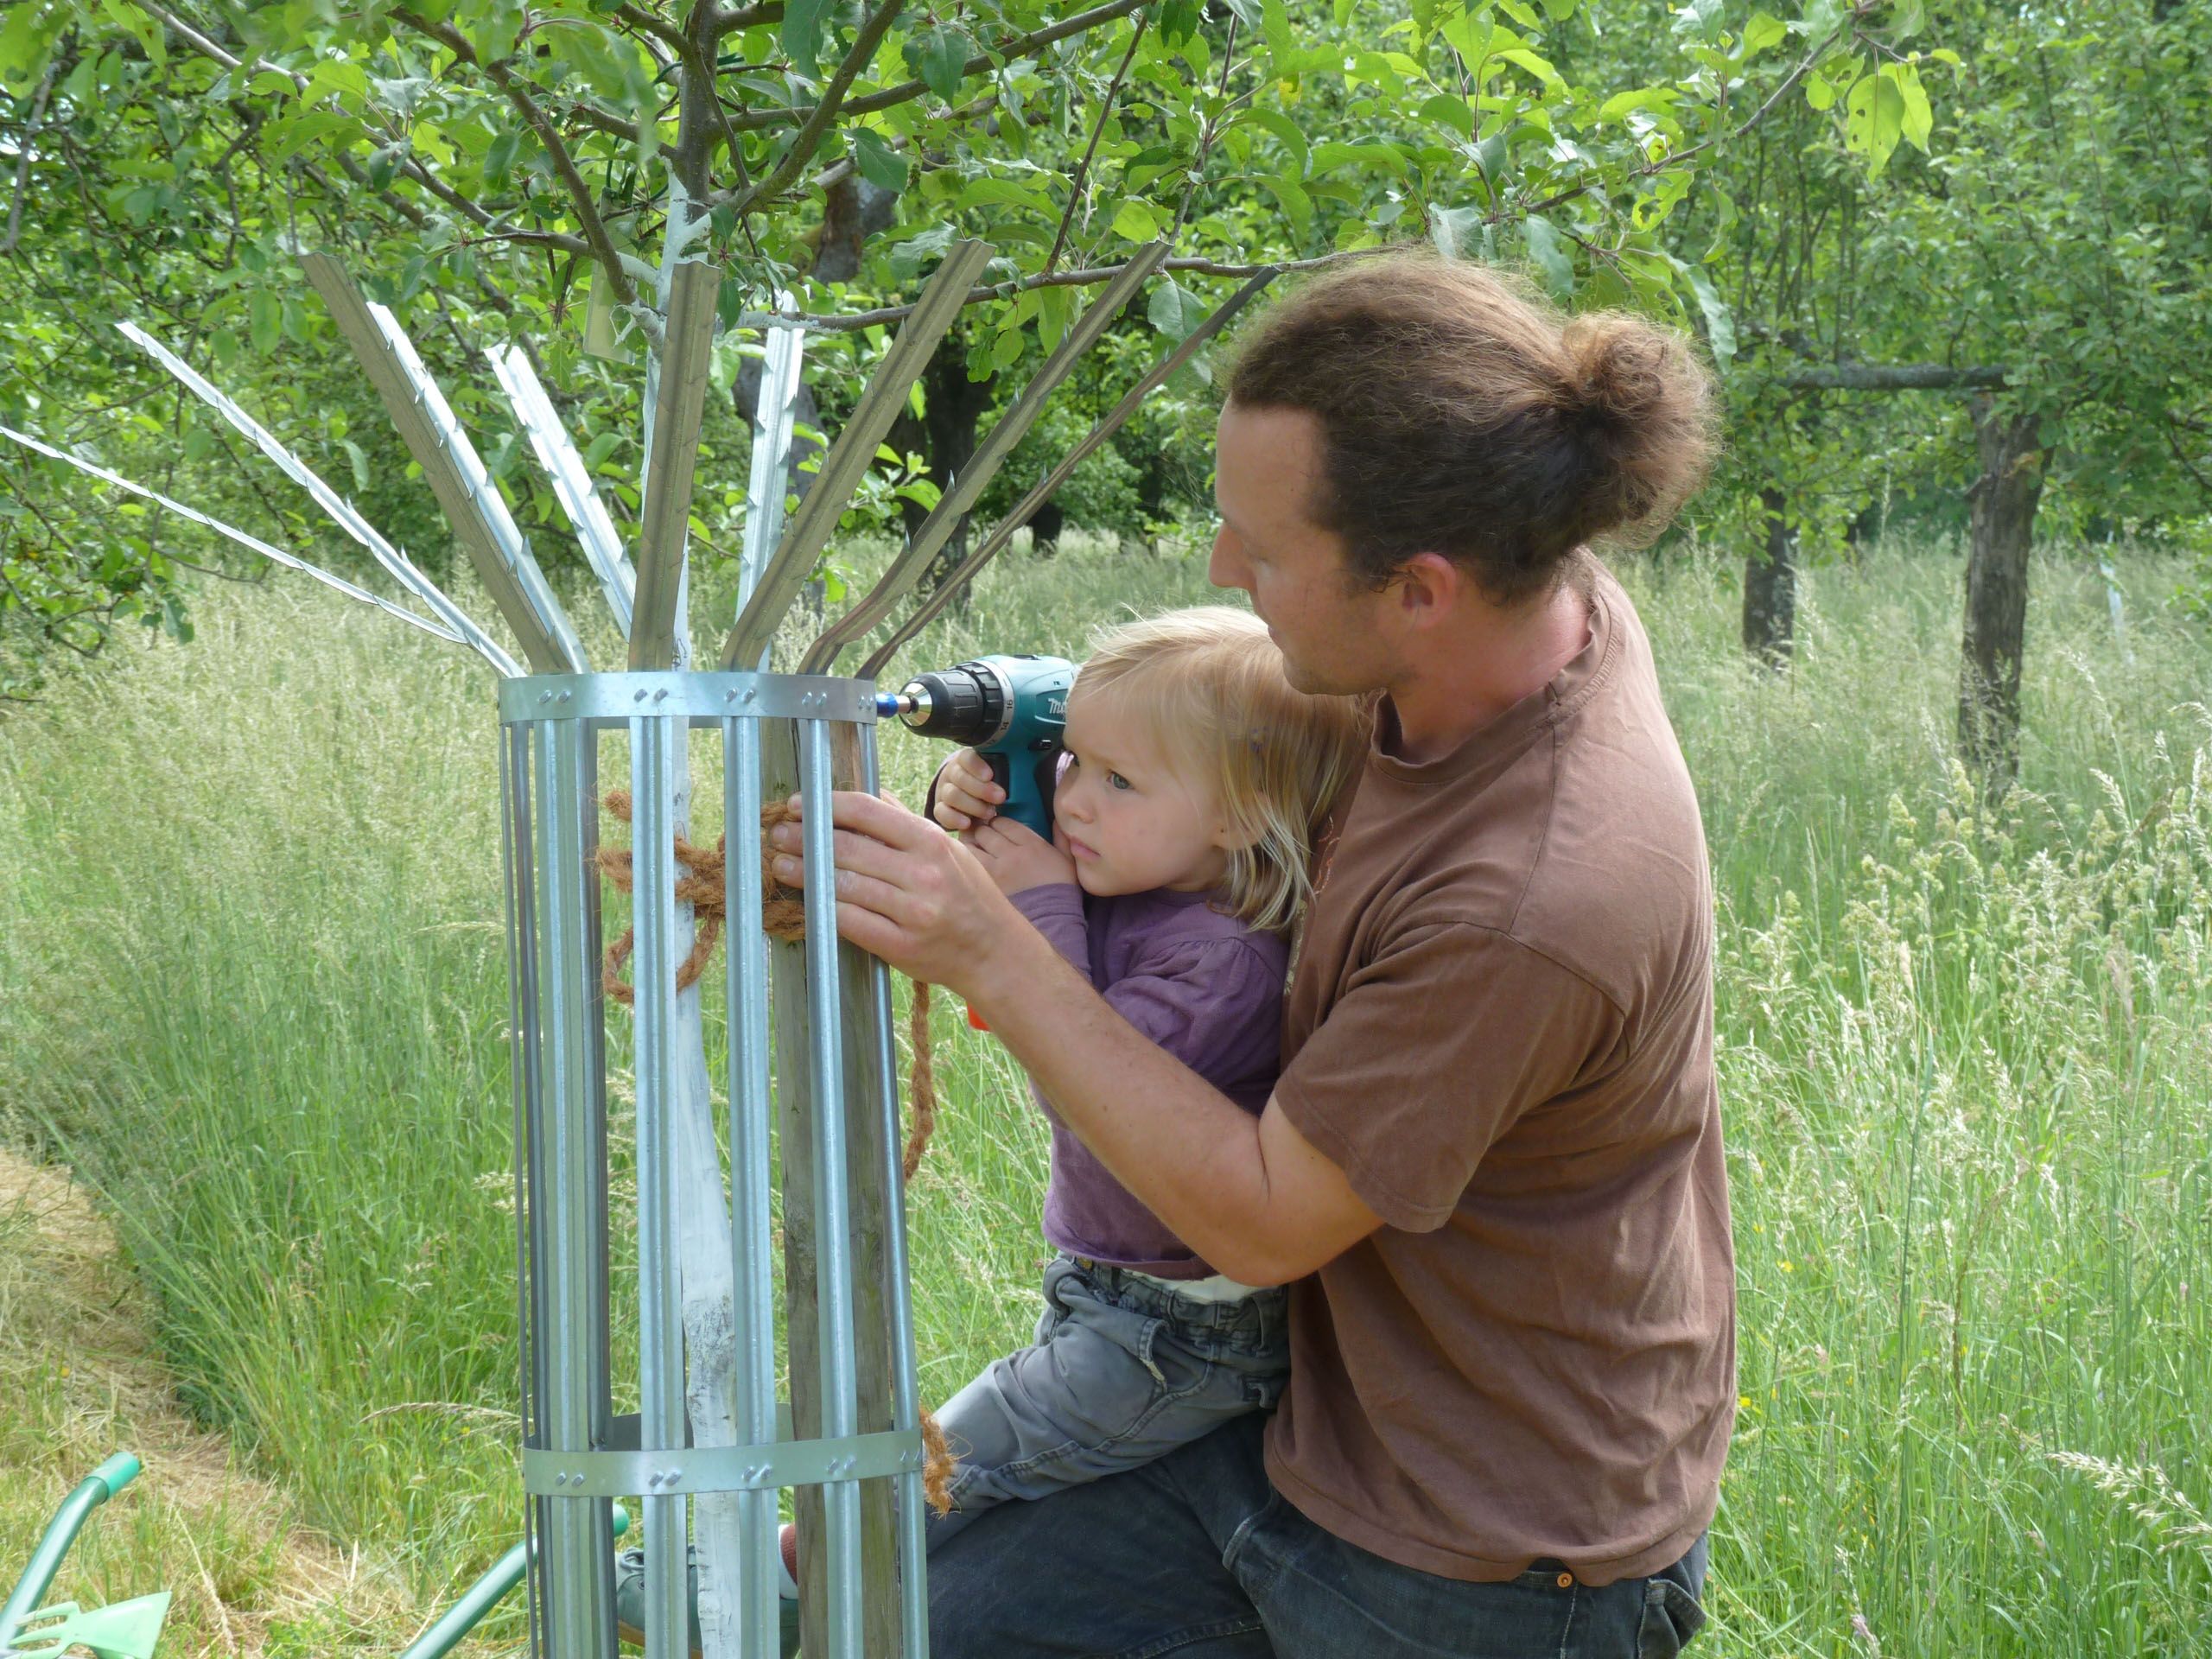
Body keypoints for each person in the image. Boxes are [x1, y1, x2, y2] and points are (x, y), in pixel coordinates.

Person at [770, 250, 1736, 1657]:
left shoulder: (1538, 896)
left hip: (1478, 1557)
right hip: (1270, 1408)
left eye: (1264, 551)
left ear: (1421, 588)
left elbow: (1264, 1214)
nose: (1225, 568)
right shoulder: (1504, 611)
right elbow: (1222, 765)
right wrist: (1035, 793)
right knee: (890, 1623)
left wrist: (992, 946)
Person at [918, 605, 1367, 1538]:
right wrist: (962, 789)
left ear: (1241, 814)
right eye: (1075, 758)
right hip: (1108, 1291)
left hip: (1182, 1334)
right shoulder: (1135, 856)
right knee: (992, 1479)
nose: (1074, 798)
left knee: (940, 1465)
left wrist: (1033, 902)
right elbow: (1048, 775)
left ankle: (780, 1580)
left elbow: (1081, 1086)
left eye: (1118, 780)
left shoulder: (1221, 961)